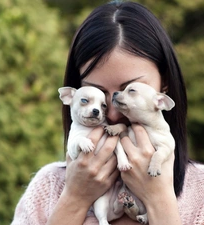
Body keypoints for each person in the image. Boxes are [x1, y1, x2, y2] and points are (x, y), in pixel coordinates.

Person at [11, 1, 204, 225]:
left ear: (165, 84)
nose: (110, 113)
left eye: (129, 90)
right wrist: (74, 200)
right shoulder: (49, 187)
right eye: (97, 93)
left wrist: (160, 200)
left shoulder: (199, 192)